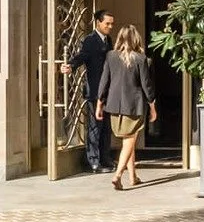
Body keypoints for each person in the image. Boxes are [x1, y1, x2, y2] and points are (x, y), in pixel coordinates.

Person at [95, 24, 157, 190]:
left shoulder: (111, 56)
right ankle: (118, 176)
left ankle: (133, 176)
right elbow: (146, 85)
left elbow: (104, 81)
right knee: (129, 140)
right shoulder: (140, 58)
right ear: (136, 39)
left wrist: (99, 104)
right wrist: (152, 106)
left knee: (128, 139)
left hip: (114, 105)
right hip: (134, 105)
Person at [60, 10, 116, 173]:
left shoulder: (108, 40)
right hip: (95, 91)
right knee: (95, 127)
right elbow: (82, 56)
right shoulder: (90, 40)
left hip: (107, 91)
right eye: (107, 23)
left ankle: (105, 159)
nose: (110, 26)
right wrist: (70, 65)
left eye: (112, 23)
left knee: (106, 127)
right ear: (98, 23)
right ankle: (93, 161)